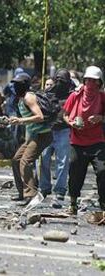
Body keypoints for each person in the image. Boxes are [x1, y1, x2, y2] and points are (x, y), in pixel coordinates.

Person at [63, 66, 105, 215]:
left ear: (99, 83)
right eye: (88, 80)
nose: (90, 84)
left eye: (94, 81)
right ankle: (73, 203)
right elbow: (65, 115)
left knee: (102, 170)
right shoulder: (75, 96)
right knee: (75, 171)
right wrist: (71, 123)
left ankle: (103, 204)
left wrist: (101, 118)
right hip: (77, 141)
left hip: (97, 141)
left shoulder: (102, 97)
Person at [9, 74, 53, 204]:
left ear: (26, 84)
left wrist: (21, 120)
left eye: (19, 84)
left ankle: (31, 194)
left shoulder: (29, 97)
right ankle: (22, 192)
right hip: (33, 135)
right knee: (16, 160)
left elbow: (39, 117)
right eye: (15, 83)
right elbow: (26, 120)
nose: (16, 86)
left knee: (25, 161)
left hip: (43, 135)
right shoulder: (20, 99)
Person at [39, 69, 73, 204]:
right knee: (43, 159)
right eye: (57, 80)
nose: (60, 83)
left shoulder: (72, 95)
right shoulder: (48, 93)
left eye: (63, 81)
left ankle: (60, 190)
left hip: (64, 131)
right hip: (47, 130)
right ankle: (44, 187)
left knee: (62, 162)